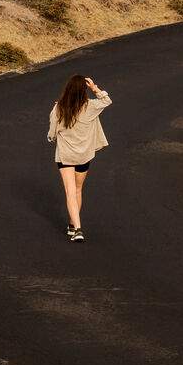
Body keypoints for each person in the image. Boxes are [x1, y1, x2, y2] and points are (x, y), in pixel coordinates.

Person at [46, 73, 112, 240]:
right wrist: (94, 87)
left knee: (70, 192)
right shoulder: (90, 106)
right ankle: (73, 225)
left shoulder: (59, 108)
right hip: (84, 156)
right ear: (84, 91)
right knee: (77, 190)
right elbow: (107, 100)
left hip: (66, 156)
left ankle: (77, 228)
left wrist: (54, 133)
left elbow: (51, 134)